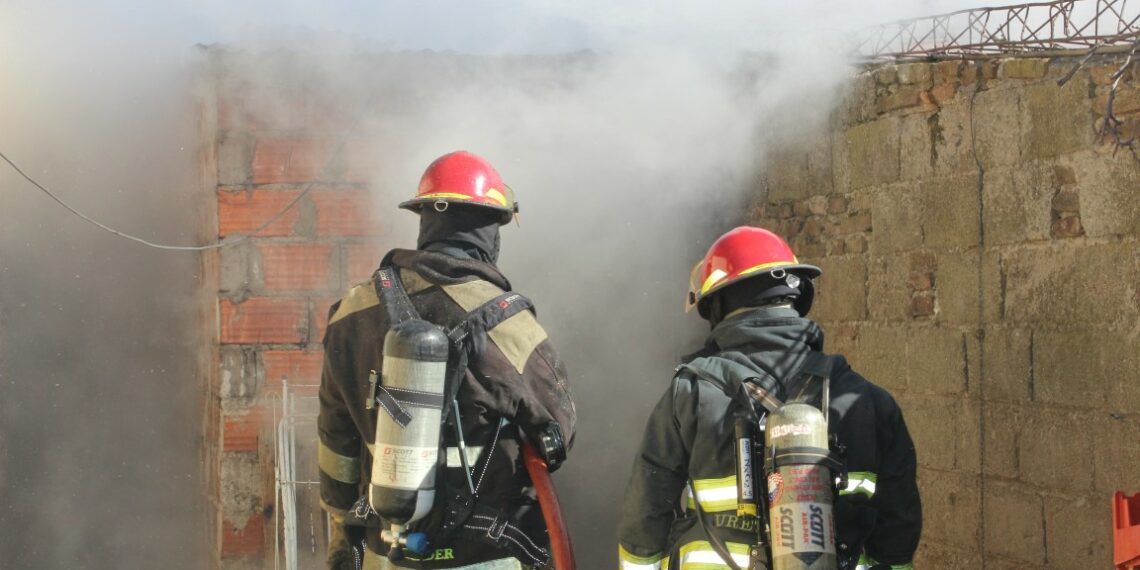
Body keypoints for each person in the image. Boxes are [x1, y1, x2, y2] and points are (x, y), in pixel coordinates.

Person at [319, 151, 576, 570]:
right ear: (490, 229)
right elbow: (558, 432)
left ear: (425, 219)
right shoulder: (507, 320)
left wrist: (342, 529)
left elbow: (335, 440)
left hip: (388, 551)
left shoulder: (351, 314)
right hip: (485, 553)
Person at [617, 226, 921, 570]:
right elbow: (899, 527)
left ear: (718, 305)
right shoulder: (870, 401)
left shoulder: (690, 393)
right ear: (797, 298)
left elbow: (645, 512)